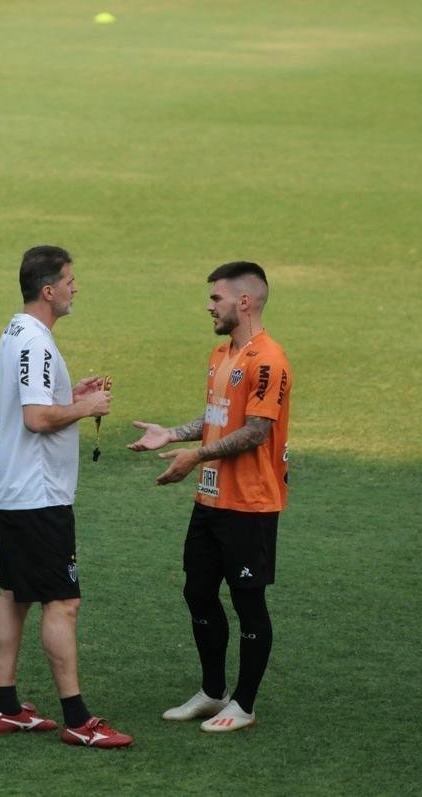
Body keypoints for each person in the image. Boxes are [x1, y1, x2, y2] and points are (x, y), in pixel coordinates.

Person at [128, 261, 292, 733]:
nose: (209, 306)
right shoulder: (221, 355)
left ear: (244, 301)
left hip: (251, 504)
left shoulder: (269, 361)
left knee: (247, 601)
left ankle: (243, 703)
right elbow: (218, 417)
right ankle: (213, 690)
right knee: (197, 591)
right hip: (211, 501)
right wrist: (171, 433)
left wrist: (195, 455)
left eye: (216, 298)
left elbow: (257, 432)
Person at [0, 245, 132, 748]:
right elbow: (35, 418)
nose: (76, 287)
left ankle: (7, 707)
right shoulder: (36, 344)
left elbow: (34, 405)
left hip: (13, 486)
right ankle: (78, 720)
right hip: (38, 493)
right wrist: (87, 405)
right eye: (70, 280)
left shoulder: (16, 332)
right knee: (63, 602)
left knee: (16, 594)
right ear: (48, 290)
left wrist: (70, 398)